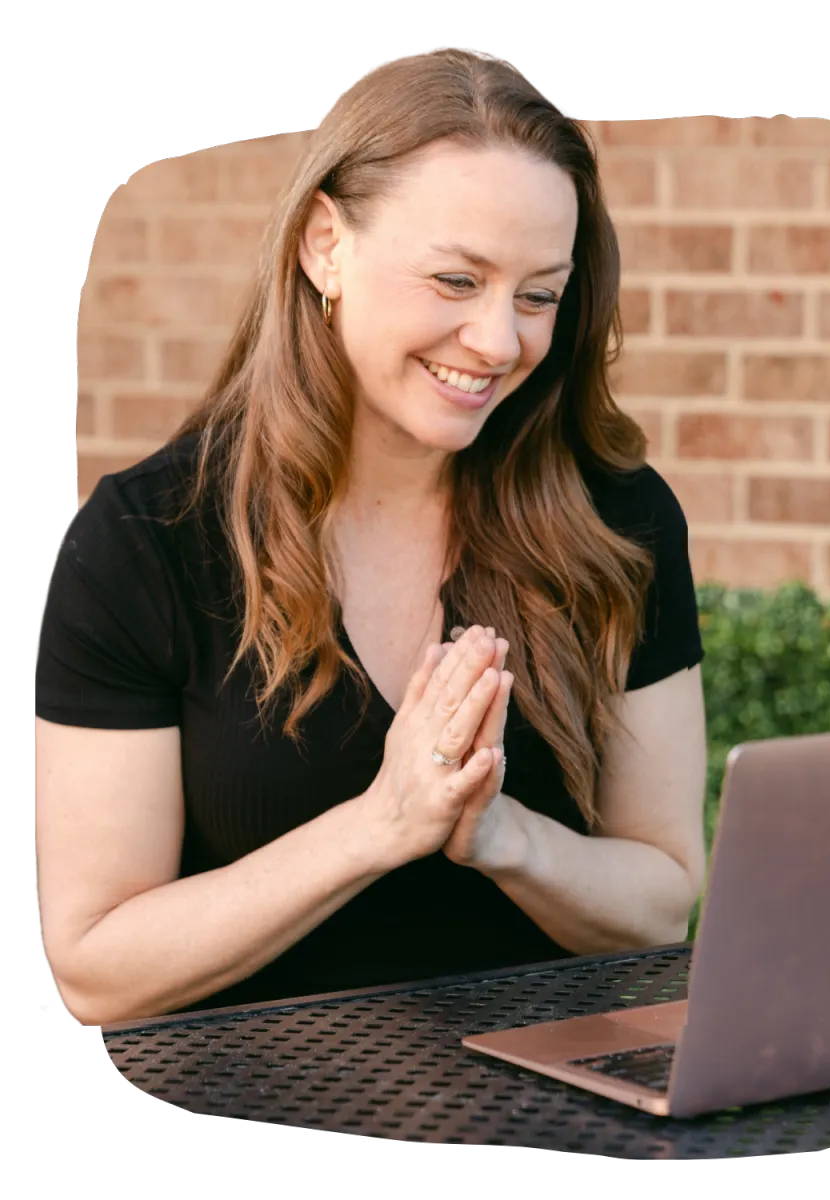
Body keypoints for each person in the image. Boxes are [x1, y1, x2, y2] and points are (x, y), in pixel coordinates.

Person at [34, 48, 709, 1027]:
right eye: (455, 279)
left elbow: (659, 900)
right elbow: (98, 969)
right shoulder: (146, 543)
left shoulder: (621, 520)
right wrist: (383, 826)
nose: (496, 341)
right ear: (324, 246)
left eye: (537, 296)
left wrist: (501, 836)